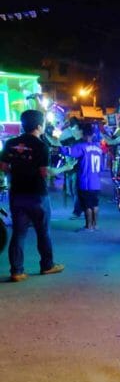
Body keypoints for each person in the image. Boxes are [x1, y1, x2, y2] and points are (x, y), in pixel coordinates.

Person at [0, 110, 66, 282]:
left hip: (17, 194)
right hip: (37, 194)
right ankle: (47, 265)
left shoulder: (10, 143)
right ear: (38, 126)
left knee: (18, 233)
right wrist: (63, 169)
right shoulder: (40, 146)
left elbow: (4, 166)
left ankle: (17, 271)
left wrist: (17, 172)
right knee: (43, 232)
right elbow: (45, 172)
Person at [55, 123, 103, 231]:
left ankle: (88, 226)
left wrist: (58, 144)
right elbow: (101, 167)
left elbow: (68, 152)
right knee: (95, 204)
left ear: (83, 134)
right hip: (96, 182)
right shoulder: (98, 148)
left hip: (85, 182)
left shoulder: (81, 147)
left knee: (87, 205)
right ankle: (95, 225)